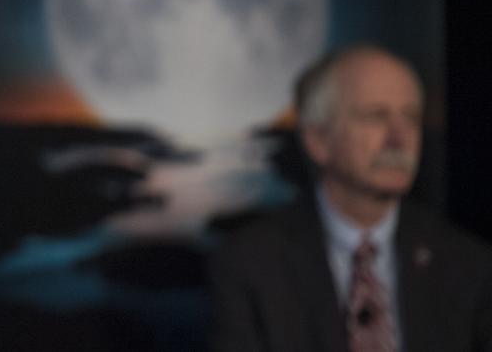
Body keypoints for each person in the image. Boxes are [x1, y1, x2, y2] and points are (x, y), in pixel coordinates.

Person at [208, 45, 492, 352]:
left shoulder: (469, 264)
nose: (400, 138)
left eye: (410, 118)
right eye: (375, 116)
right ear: (319, 140)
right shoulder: (251, 263)